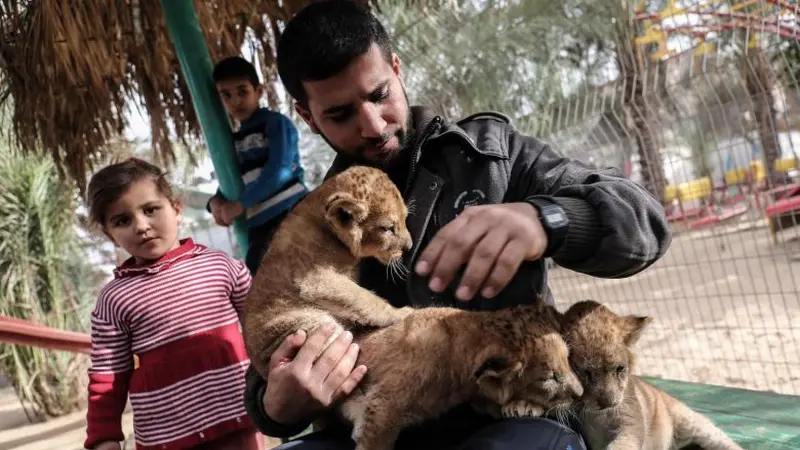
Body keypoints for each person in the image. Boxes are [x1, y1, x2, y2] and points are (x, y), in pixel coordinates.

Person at [242, 1, 673, 449]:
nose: (373, 125)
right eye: (340, 114)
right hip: (372, 427)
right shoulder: (306, 230)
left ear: (396, 68)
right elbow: (263, 363)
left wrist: (546, 219)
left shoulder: (494, 155)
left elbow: (644, 222)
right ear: (308, 117)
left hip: (510, 419)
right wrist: (275, 406)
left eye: (379, 95)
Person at [83, 158, 261, 450]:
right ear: (109, 234)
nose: (141, 226)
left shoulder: (220, 266)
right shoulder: (114, 298)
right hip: (167, 436)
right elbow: (107, 373)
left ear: (176, 208)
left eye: (150, 210)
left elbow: (264, 324)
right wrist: (104, 436)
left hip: (238, 414)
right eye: (122, 220)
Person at [207, 56, 308, 274]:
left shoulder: (275, 123)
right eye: (227, 95)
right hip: (260, 221)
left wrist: (240, 204)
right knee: (258, 276)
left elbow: (279, 171)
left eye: (242, 91)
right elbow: (234, 178)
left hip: (291, 210)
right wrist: (215, 202)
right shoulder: (232, 141)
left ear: (258, 91)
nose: (236, 101)